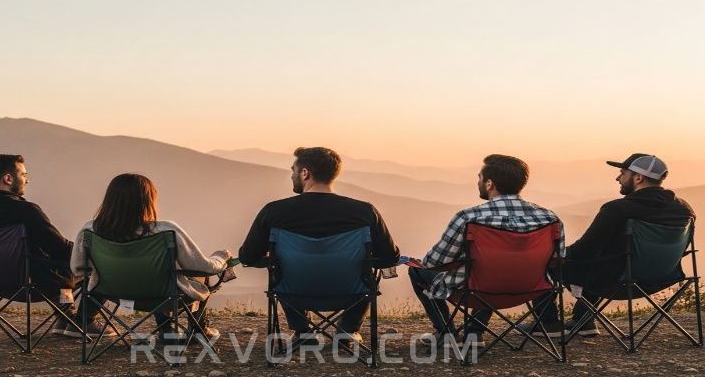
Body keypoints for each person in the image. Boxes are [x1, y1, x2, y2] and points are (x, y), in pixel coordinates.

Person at [239, 147, 400, 342]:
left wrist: (274, 258)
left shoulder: (274, 212)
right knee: (366, 271)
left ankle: (302, 331)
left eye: (293, 170)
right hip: (351, 293)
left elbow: (247, 256)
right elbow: (390, 258)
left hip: (293, 293)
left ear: (305, 173)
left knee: (280, 268)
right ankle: (347, 330)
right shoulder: (364, 212)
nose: (291, 176)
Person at [409, 154, 564, 346]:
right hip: (531, 289)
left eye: (479, 178)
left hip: (478, 291)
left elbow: (435, 263)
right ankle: (474, 331)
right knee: (490, 269)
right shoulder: (550, 218)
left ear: (489, 184)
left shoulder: (469, 217)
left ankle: (446, 333)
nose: (478, 182)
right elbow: (557, 261)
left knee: (418, 270)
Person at [536, 153, 696, 337]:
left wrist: (551, 254)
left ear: (638, 177)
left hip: (615, 281)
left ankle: (548, 324)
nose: (618, 178)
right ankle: (583, 320)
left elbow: (583, 251)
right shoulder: (684, 209)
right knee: (603, 258)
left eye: (623, 173)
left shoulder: (617, 209)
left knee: (545, 264)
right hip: (662, 277)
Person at [70, 173, 231, 340]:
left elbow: (77, 267)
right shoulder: (166, 230)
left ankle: (168, 329)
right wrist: (220, 257)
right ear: (147, 200)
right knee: (194, 276)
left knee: (162, 274)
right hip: (162, 297)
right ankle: (199, 330)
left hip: (112, 294)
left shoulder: (90, 229)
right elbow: (203, 267)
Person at [0, 154, 84, 335]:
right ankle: (78, 319)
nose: (26, 180)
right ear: (8, 178)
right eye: (24, 175)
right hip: (29, 283)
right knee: (71, 267)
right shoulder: (24, 210)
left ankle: (65, 317)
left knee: (57, 268)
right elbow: (59, 248)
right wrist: (89, 251)